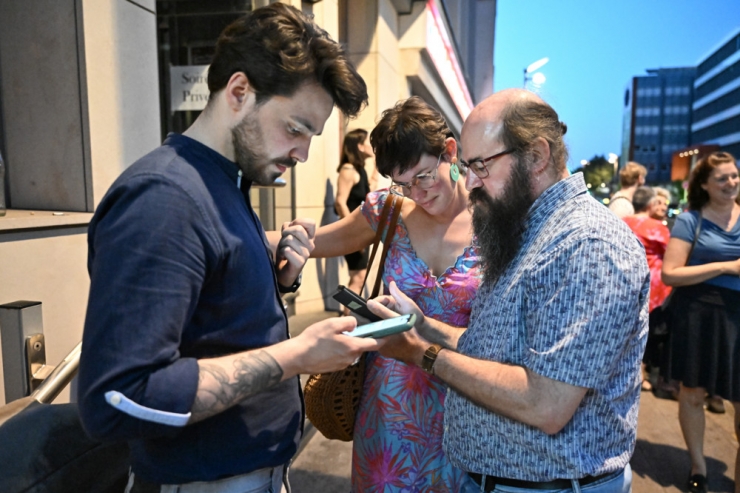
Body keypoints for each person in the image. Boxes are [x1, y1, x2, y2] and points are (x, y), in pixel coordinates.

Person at [76, 4, 383, 492]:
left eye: (312, 135)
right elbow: (118, 397)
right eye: (296, 128)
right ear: (239, 92)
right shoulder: (165, 197)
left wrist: (275, 279)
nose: (303, 153)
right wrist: (296, 354)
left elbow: (212, 324)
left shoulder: (223, 183)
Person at [370, 88, 650, 493]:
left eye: (480, 166)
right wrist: (423, 325)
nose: (469, 182)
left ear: (536, 156)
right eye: (465, 166)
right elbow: (495, 350)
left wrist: (419, 352)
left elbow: (546, 402)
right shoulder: (523, 228)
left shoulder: (587, 244)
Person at [310, 96, 481, 492]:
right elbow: (316, 243)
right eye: (402, 183)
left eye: (423, 175)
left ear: (450, 152)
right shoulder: (389, 211)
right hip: (387, 409)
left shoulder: (493, 220)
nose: (417, 193)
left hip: (465, 405)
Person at [661, 151, 740, 493]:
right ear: (704, 185)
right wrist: (725, 267)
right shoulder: (690, 220)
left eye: (735, 175)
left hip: (738, 315)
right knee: (693, 392)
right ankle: (699, 466)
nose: (731, 182)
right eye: (722, 178)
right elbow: (670, 274)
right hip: (699, 314)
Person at [623, 187, 672, 391]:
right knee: (651, 333)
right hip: (654, 284)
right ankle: (645, 374)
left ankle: (631, 373)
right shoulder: (657, 227)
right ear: (651, 204)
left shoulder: (624, 221)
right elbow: (672, 252)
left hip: (626, 278)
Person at [334, 129, 377, 312]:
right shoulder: (348, 169)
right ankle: (348, 321)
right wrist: (353, 232)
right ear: (359, 146)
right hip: (352, 232)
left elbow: (371, 191)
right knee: (358, 277)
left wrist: (377, 162)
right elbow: (340, 202)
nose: (371, 146)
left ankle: (349, 319)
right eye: (368, 142)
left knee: (358, 276)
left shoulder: (360, 170)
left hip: (359, 231)